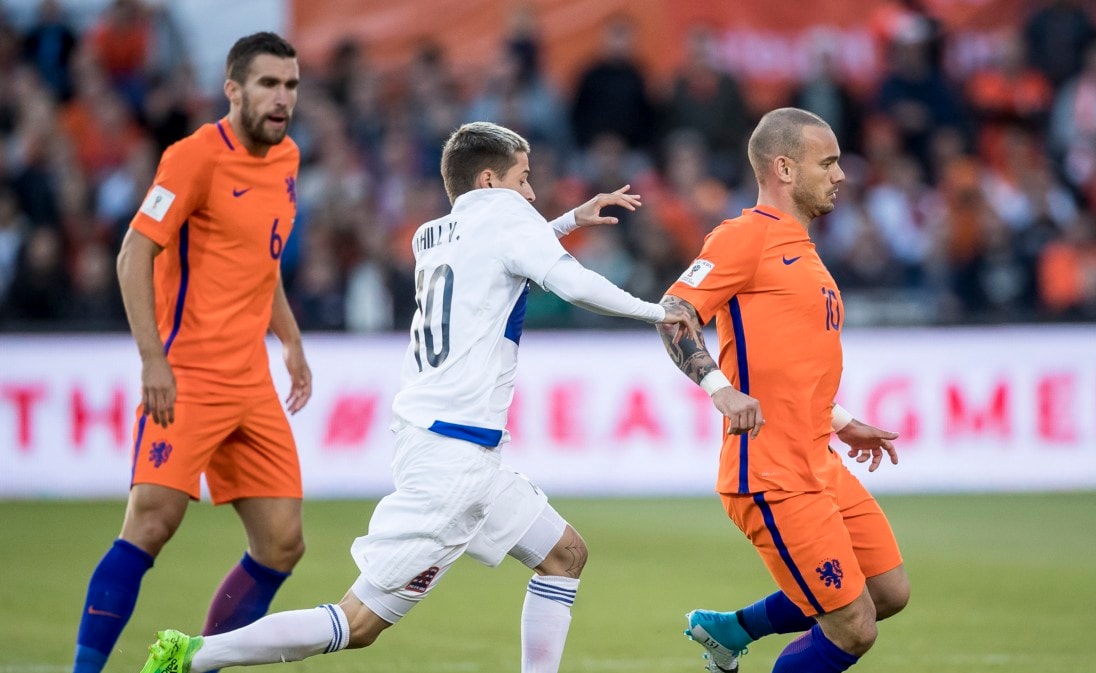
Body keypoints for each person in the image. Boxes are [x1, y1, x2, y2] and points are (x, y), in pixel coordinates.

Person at [137, 121, 699, 673]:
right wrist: (656, 311)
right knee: (356, 623)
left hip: (444, 445)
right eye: (522, 179)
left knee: (565, 555)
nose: (530, 193)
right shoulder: (505, 222)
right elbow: (569, 281)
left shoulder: (430, 236)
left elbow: (501, 249)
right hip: (454, 465)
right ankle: (195, 655)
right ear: (488, 181)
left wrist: (570, 220)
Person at [72, 32, 311, 673]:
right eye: (268, 84)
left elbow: (262, 261)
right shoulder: (194, 157)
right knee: (151, 523)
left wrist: (290, 340)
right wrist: (153, 359)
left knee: (282, 542)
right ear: (233, 89)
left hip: (251, 381)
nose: (283, 97)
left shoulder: (288, 158)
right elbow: (133, 254)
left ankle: (191, 665)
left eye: (291, 85)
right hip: (188, 376)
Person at [655, 108, 910, 673]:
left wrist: (842, 421)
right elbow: (673, 313)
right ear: (785, 169)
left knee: (888, 591)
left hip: (818, 458)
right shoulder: (744, 236)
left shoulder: (803, 249)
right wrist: (719, 388)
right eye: (829, 163)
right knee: (854, 627)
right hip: (772, 472)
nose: (841, 175)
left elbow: (790, 361)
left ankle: (730, 630)